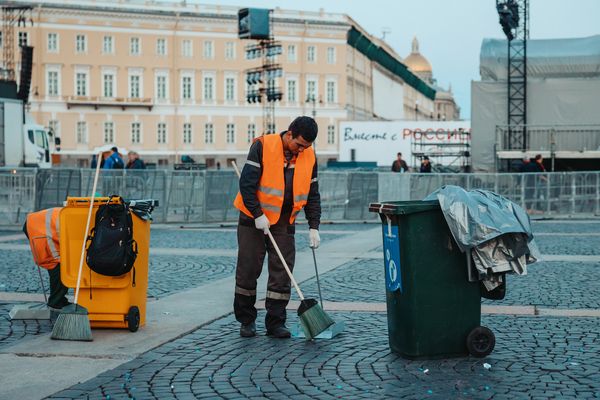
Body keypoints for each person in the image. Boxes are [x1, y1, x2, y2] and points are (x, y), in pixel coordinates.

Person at [233, 116, 321, 339]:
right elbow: (247, 184)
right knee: (248, 269)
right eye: (299, 144)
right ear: (289, 133)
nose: (302, 150)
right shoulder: (262, 145)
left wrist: (314, 226)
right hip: (253, 218)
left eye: (307, 146)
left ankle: (275, 322)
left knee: (282, 272)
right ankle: (247, 321)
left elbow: (313, 194)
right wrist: (258, 214)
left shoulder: (309, 155)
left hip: (284, 221)